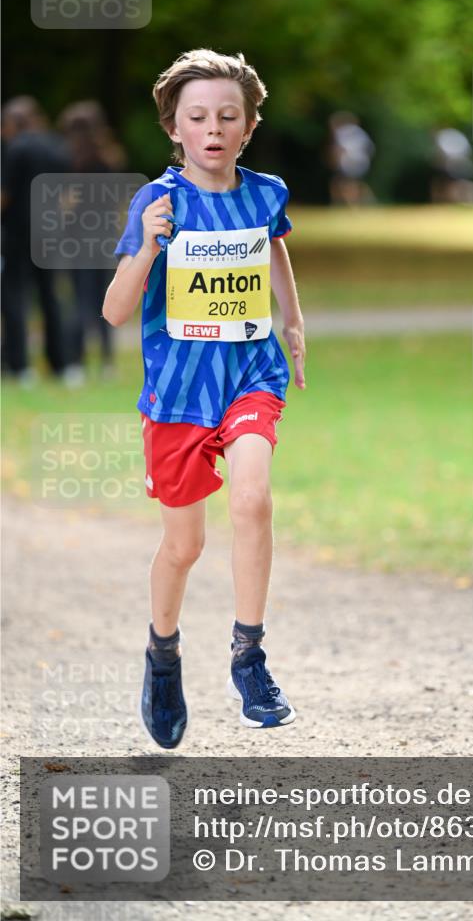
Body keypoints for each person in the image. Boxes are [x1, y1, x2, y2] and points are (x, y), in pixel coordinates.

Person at [102, 49, 306, 745]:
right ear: (174, 128)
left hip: (250, 376)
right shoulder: (157, 204)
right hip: (178, 396)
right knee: (183, 546)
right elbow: (114, 312)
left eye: (228, 116)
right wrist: (147, 249)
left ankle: (249, 654)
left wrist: (294, 320)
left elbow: (274, 246)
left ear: (249, 126)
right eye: (198, 117)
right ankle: (163, 655)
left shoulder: (266, 192)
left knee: (251, 498)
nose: (214, 128)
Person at [1, 96, 72, 385]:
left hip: (18, 234)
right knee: (50, 297)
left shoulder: (16, 148)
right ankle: (61, 365)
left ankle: (19, 366)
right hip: (49, 232)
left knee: (15, 298)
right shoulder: (56, 146)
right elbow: (69, 196)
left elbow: (4, 195)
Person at [58, 100, 127, 383]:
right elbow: (119, 201)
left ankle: (76, 364)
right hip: (106, 236)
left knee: (80, 300)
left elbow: (64, 204)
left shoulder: (68, 160)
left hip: (77, 238)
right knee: (106, 299)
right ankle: (108, 362)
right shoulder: (111, 158)